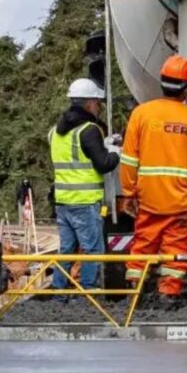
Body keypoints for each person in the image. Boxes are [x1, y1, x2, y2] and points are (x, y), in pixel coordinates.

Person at [120, 56, 187, 300]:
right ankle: (168, 295)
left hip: (148, 197)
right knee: (175, 248)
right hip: (182, 200)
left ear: (162, 82)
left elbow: (129, 160)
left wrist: (129, 193)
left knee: (143, 243)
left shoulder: (141, 114)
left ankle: (134, 292)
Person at [48, 78, 119, 292]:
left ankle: (59, 291)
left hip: (62, 201)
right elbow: (103, 164)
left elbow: (77, 156)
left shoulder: (55, 132)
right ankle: (89, 293)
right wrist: (115, 152)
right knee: (92, 250)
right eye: (97, 103)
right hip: (85, 202)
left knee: (66, 250)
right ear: (89, 103)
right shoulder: (89, 129)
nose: (98, 107)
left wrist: (103, 145)